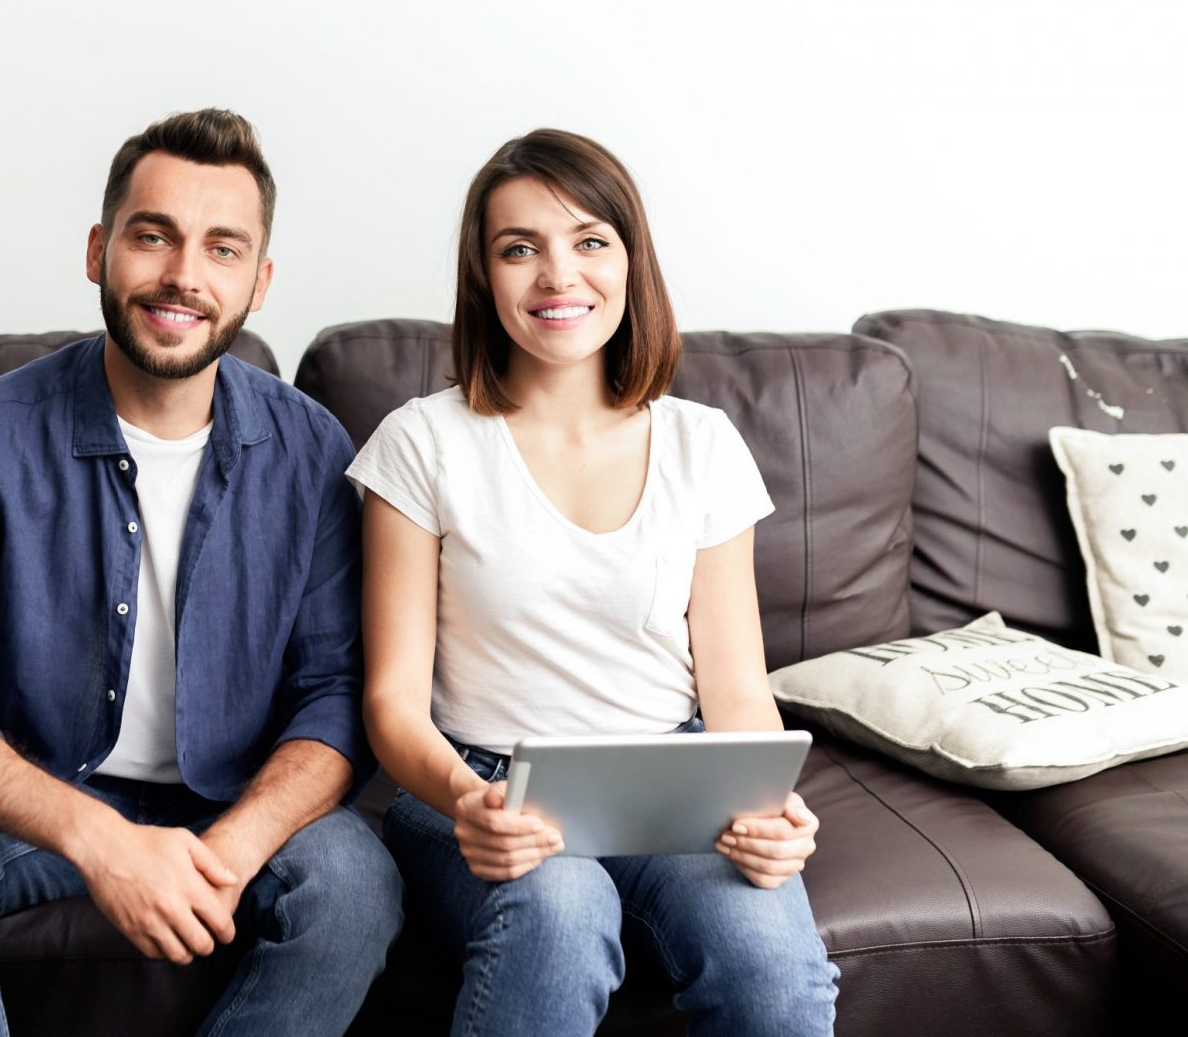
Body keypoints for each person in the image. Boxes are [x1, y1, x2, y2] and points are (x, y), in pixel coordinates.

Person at [0, 108, 403, 1037]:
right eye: (152, 236)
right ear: (99, 251)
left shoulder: (313, 450)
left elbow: (336, 691)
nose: (183, 276)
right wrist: (99, 839)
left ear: (259, 281)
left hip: (233, 801)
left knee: (356, 883)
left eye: (222, 249)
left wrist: (236, 846)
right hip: (45, 795)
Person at [348, 129, 841, 1036]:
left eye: (588, 241)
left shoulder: (703, 444)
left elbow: (737, 690)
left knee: (772, 970)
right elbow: (392, 704)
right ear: (483, 274)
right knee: (562, 919)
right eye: (519, 249)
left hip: (674, 784)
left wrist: (771, 807)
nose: (557, 275)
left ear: (629, 262)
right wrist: (471, 802)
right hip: (482, 783)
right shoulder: (420, 443)